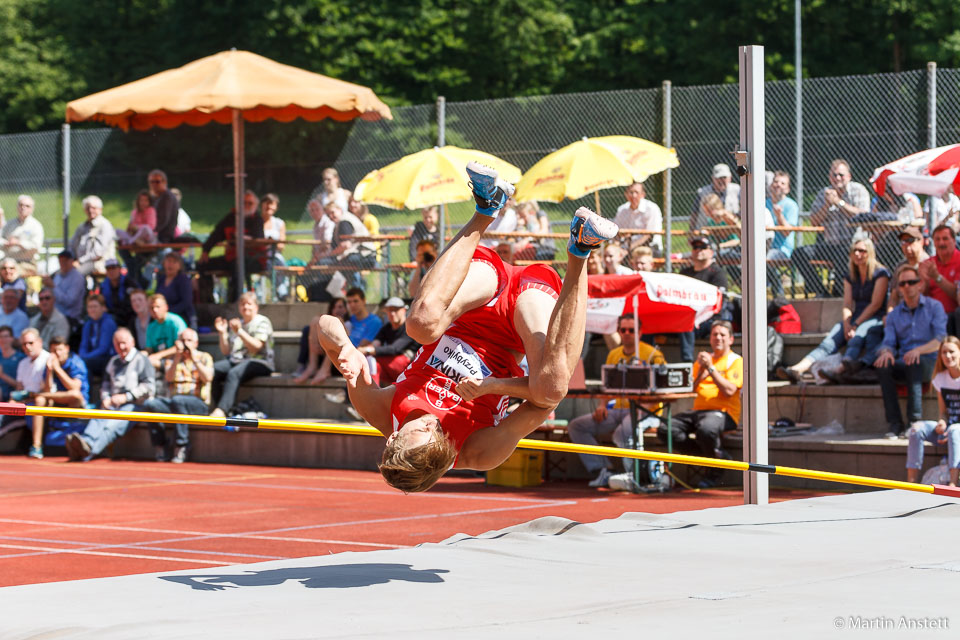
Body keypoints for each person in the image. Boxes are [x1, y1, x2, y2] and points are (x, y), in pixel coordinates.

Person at [314, 161, 618, 493]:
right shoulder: (479, 451)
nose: (434, 425)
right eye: (437, 438)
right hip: (519, 320)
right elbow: (545, 404)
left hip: (472, 302)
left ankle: (487, 207)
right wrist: (493, 387)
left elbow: (324, 323)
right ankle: (581, 248)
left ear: (394, 438)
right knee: (552, 386)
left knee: (420, 325)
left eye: (422, 430)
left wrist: (342, 347)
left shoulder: (379, 410)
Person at [568, 314, 665, 488]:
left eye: (632, 330)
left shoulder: (653, 355)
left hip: (647, 411)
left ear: (640, 333)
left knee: (623, 431)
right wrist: (602, 405)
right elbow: (607, 387)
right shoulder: (613, 354)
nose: (627, 333)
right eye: (623, 330)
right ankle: (602, 470)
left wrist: (643, 407)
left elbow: (662, 389)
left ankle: (634, 474)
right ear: (618, 331)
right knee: (577, 426)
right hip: (617, 410)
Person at [777, 235, 890, 383]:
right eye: (854, 251)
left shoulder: (881, 273)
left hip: (875, 317)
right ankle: (797, 369)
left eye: (862, 251)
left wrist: (855, 325)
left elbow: (875, 304)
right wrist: (847, 322)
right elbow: (847, 304)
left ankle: (839, 370)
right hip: (856, 317)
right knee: (830, 340)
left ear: (870, 252)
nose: (857, 254)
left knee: (858, 335)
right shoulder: (850, 275)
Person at [658, 320, 743, 488]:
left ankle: (715, 470)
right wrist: (700, 376)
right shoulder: (704, 361)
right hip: (698, 411)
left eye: (722, 335)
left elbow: (730, 391)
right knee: (665, 429)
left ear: (731, 339)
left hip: (724, 412)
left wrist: (711, 369)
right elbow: (691, 389)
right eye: (714, 335)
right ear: (710, 338)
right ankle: (714, 458)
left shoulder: (735, 360)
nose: (718, 338)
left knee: (706, 429)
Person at [874, 265, 947, 438]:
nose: (907, 286)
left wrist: (918, 351)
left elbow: (941, 340)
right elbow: (888, 342)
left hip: (931, 360)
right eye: (903, 283)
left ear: (920, 284)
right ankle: (895, 424)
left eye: (911, 282)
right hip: (906, 360)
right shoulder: (894, 315)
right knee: (883, 366)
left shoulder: (934, 307)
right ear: (898, 288)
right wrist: (886, 352)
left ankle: (914, 421)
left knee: (914, 361)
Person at [65, 328, 155, 462]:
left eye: (124, 343)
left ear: (132, 342)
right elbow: (105, 384)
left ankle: (88, 450)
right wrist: (105, 398)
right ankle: (84, 441)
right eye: (118, 344)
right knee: (98, 417)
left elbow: (148, 386)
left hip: (135, 405)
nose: (122, 347)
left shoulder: (142, 360)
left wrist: (127, 397)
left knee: (112, 425)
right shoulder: (113, 361)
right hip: (113, 403)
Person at [795, 159, 871, 296]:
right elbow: (814, 221)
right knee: (799, 253)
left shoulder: (858, 190)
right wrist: (827, 205)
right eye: (834, 175)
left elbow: (863, 216)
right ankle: (821, 291)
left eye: (841, 175)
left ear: (849, 176)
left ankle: (838, 294)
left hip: (853, 245)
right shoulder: (824, 193)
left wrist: (839, 203)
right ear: (830, 177)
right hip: (830, 246)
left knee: (843, 255)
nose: (837, 178)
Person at [143, 328, 213, 463]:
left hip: (198, 404)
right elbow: (169, 378)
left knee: (178, 400)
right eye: (183, 340)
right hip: (174, 403)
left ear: (196, 343)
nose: (186, 344)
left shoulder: (204, 357)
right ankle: (161, 445)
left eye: (189, 340)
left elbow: (207, 378)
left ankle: (182, 445)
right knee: (150, 404)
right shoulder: (173, 358)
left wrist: (194, 358)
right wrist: (177, 356)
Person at [904, 336, 960, 487]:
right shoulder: (940, 378)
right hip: (949, 429)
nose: (947, 356)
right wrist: (942, 422)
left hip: (956, 431)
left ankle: (953, 484)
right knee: (916, 429)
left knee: (955, 430)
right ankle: (911, 483)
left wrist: (951, 430)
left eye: (952, 352)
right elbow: (943, 412)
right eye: (944, 352)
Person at [209, 292, 274, 418]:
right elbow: (226, 352)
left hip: (260, 362)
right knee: (214, 370)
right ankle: (221, 407)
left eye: (249, 304)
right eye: (242, 304)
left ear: (256, 307)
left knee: (234, 373)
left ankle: (222, 410)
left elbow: (256, 348)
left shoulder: (262, 322)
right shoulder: (238, 323)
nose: (245, 307)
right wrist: (222, 333)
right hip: (237, 360)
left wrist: (239, 331)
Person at [198, 189, 267, 302]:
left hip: (254, 259)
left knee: (237, 266)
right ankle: (208, 301)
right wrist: (206, 251)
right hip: (232, 258)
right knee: (202, 265)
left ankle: (234, 302)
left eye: (250, 203)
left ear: (256, 205)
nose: (246, 205)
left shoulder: (257, 219)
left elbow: (257, 238)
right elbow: (216, 234)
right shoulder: (231, 217)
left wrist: (240, 238)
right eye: (244, 202)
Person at [30, 336, 89, 459]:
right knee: (40, 400)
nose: (57, 353)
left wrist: (57, 369)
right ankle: (36, 446)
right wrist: (50, 371)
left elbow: (74, 388)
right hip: (56, 401)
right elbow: (47, 389)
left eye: (60, 349)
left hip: (76, 404)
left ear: (67, 349)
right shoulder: (49, 363)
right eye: (54, 351)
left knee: (74, 395)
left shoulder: (76, 362)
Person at [677, 235, 729, 362]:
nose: (698, 250)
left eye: (702, 247)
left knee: (686, 323)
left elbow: (719, 302)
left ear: (711, 252)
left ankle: (687, 364)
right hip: (684, 316)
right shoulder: (685, 273)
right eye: (695, 247)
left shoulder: (717, 273)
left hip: (708, 320)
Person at [355, 297, 418, 387]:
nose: (392, 313)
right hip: (390, 367)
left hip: (409, 367)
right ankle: (373, 393)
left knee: (373, 359)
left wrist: (368, 350)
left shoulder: (409, 327)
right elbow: (376, 343)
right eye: (389, 310)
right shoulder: (386, 328)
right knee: (371, 362)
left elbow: (394, 349)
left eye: (395, 310)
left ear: (404, 310)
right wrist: (364, 351)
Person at [316, 203, 377, 290]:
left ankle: (353, 292)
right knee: (330, 264)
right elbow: (335, 247)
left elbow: (345, 245)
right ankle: (337, 292)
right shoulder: (339, 224)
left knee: (330, 263)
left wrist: (328, 255)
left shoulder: (345, 221)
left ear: (340, 210)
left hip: (365, 256)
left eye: (333, 212)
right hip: (355, 256)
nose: (331, 216)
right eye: (328, 215)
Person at [293, 297, 350, 385]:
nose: (336, 310)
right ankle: (312, 366)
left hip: (342, 362)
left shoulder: (351, 322)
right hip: (324, 356)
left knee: (337, 321)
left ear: (346, 309)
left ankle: (325, 369)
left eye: (340, 307)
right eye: (334, 307)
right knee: (316, 319)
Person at [918, 224, 960, 335]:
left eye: (945, 239)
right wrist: (926, 282)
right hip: (930, 315)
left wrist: (937, 277)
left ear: (954, 241)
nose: (941, 243)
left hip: (951, 316)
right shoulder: (928, 263)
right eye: (937, 239)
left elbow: (956, 295)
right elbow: (922, 296)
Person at [15, 329, 49, 457]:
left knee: (39, 401)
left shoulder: (49, 359)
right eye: (24, 344)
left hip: (45, 401)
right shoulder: (22, 363)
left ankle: (36, 446)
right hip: (25, 402)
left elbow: (47, 390)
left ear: (39, 342)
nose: (27, 347)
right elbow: (19, 389)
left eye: (30, 343)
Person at [765, 171, 800, 296]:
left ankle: (778, 295)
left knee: (763, 259)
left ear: (788, 189)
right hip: (762, 248)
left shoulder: (791, 205)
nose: (778, 185)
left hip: (781, 250)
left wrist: (779, 216)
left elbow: (787, 232)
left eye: (782, 183)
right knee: (740, 258)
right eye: (776, 182)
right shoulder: (763, 204)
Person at [69, 195, 117, 276]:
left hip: (98, 263)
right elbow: (72, 245)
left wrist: (80, 261)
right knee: (57, 275)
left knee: (74, 275)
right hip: (79, 262)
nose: (91, 210)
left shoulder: (104, 225)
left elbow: (98, 253)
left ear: (100, 210)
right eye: (88, 208)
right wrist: (70, 260)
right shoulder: (82, 227)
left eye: (94, 208)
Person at [886, 226, 930, 313]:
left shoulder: (928, 264)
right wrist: (890, 315)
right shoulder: (900, 266)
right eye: (903, 241)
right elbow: (893, 297)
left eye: (910, 240)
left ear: (921, 242)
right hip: (900, 313)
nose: (906, 245)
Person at [614, 182, 663, 254]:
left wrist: (628, 249)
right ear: (626, 194)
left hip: (650, 247)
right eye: (631, 192)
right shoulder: (622, 210)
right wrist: (615, 247)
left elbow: (649, 235)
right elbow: (616, 233)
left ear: (643, 194)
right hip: (626, 247)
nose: (634, 195)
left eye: (636, 192)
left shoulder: (651, 208)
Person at [145, 294, 187, 370]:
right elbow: (149, 349)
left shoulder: (176, 322)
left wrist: (158, 355)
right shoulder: (151, 327)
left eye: (158, 306)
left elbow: (181, 347)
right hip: (158, 361)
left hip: (176, 360)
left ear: (166, 307)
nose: (155, 310)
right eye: (152, 308)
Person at [78, 293, 117, 377]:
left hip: (107, 358)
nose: (92, 310)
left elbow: (103, 348)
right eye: (89, 307)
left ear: (103, 308)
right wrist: (82, 356)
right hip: (92, 357)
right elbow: (84, 345)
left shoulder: (108, 322)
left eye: (95, 306)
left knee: (85, 364)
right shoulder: (88, 324)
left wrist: (85, 358)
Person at [691, 164, 740, 231]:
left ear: (730, 177)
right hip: (706, 233)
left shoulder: (737, 190)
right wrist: (691, 233)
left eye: (724, 177)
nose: (721, 180)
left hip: (730, 232)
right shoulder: (702, 192)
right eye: (719, 178)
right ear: (713, 178)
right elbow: (695, 214)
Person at [0, 195, 44, 266]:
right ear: (17, 207)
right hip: (8, 261)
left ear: (32, 209)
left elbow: (36, 247)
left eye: (27, 206)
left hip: (27, 262)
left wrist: (18, 243)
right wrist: (6, 243)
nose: (23, 208)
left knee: (11, 272)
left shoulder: (35, 226)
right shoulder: (9, 224)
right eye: (21, 205)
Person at [43, 250, 86, 322]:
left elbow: (69, 301)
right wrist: (47, 286)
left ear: (71, 261)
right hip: (55, 315)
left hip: (70, 318)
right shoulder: (58, 275)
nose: (62, 264)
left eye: (65, 261)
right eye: (60, 261)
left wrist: (53, 287)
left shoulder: (77, 278)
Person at [154, 252, 195, 326]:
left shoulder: (183, 279)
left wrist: (168, 312)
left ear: (179, 265)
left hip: (181, 316)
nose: (170, 264)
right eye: (169, 261)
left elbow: (186, 301)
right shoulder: (161, 278)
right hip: (162, 316)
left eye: (174, 262)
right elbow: (156, 297)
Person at [100, 258, 135, 326]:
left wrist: (110, 311)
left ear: (119, 269)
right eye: (108, 269)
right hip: (110, 316)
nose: (111, 271)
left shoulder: (129, 283)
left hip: (128, 318)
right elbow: (101, 303)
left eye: (113, 268)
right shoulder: (103, 285)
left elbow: (130, 307)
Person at [148, 170, 179, 243]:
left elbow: (163, 220)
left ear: (165, 182)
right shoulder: (156, 197)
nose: (154, 184)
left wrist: (150, 232)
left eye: (157, 181)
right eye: (151, 182)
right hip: (157, 235)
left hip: (163, 238)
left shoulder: (167, 197)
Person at [0, 325, 24, 402]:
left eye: (6, 336)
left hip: (14, 397)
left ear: (12, 338)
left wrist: (2, 375)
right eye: (1, 337)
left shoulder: (21, 358)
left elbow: (21, 386)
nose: (3, 340)